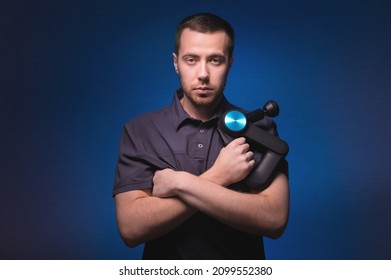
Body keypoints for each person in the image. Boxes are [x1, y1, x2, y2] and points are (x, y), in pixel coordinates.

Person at [113, 12, 289, 259]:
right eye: (191, 59)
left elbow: (274, 219)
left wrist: (178, 183)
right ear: (176, 63)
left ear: (230, 62)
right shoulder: (140, 130)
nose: (203, 74)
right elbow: (131, 228)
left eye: (215, 60)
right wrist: (219, 176)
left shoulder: (260, 129)